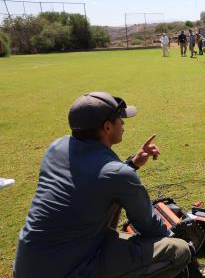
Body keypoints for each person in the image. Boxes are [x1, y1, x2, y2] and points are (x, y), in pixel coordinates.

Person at [13, 92, 192, 278]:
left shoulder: (56, 147)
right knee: (178, 251)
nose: (123, 124)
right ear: (107, 127)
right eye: (120, 119)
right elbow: (148, 226)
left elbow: (95, 179)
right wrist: (179, 239)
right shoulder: (117, 175)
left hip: (28, 266)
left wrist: (133, 163)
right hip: (72, 269)